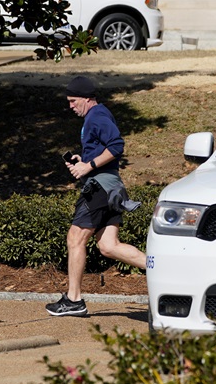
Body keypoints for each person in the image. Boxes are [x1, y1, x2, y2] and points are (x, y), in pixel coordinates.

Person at [46, 76, 146, 317]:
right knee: (109, 246)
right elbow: (104, 149)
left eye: (73, 101)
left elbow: (116, 146)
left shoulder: (97, 115)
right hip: (110, 186)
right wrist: (84, 160)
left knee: (75, 238)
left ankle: (74, 300)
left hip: (100, 187)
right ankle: (161, 268)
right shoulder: (97, 115)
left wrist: (88, 165)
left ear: (87, 99)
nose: (70, 106)